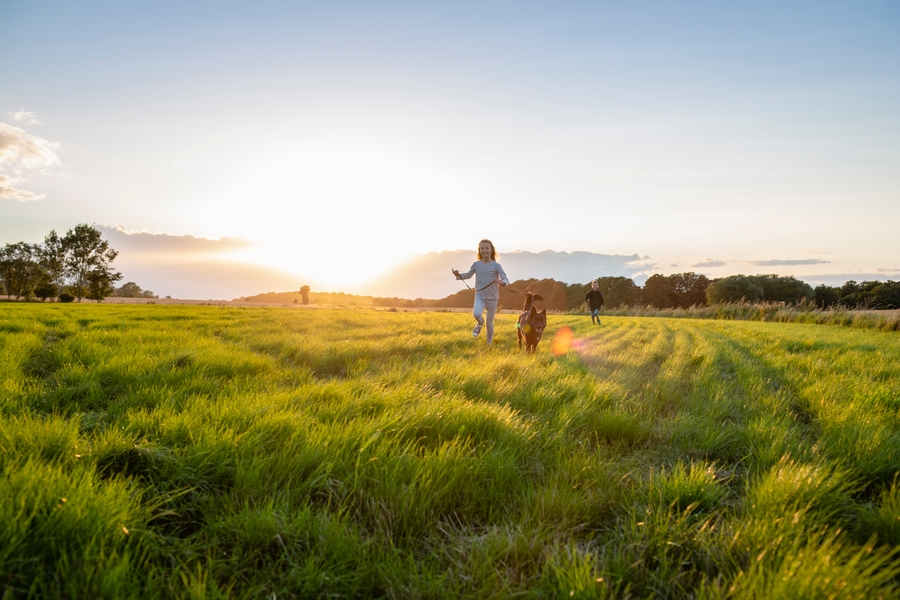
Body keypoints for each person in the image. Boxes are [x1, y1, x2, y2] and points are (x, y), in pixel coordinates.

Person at [452, 239, 509, 345]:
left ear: (491, 250)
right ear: (479, 251)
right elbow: (468, 275)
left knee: (489, 323)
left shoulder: (496, 266)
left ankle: (489, 344)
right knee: (477, 314)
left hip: (492, 298)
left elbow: (505, 278)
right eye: (482, 248)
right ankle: (479, 323)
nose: (484, 250)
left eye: (487, 248)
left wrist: (502, 282)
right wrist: (458, 275)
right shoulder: (476, 264)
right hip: (480, 296)